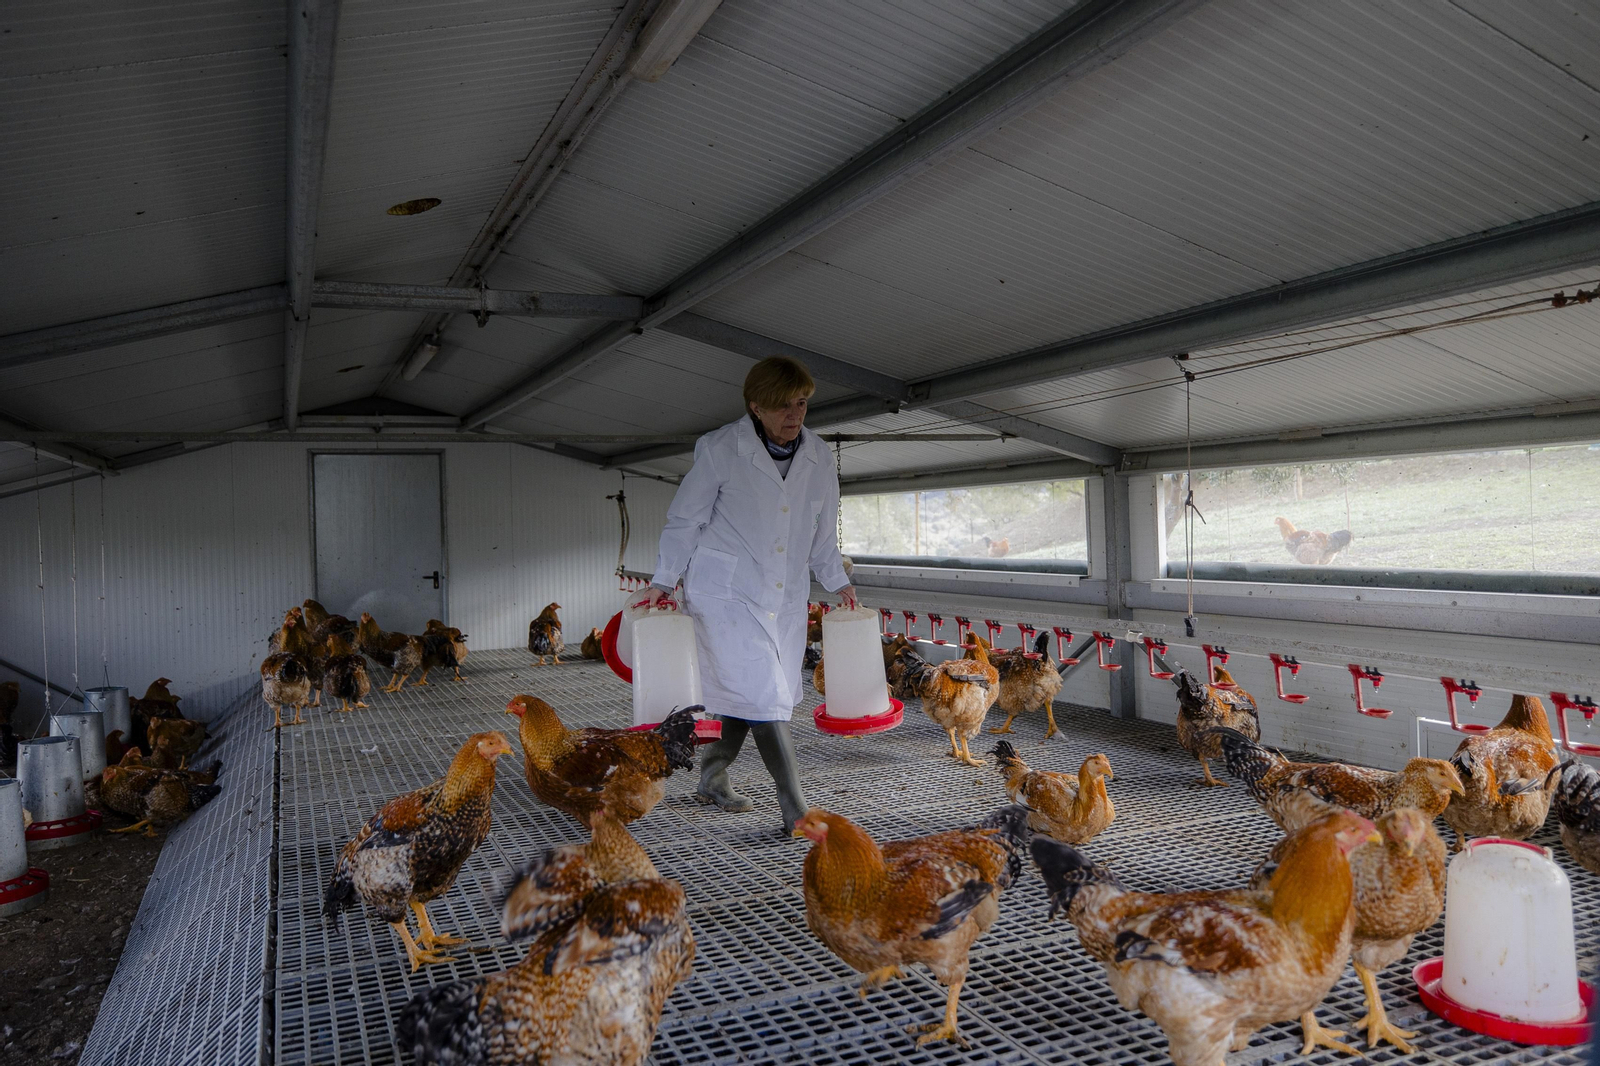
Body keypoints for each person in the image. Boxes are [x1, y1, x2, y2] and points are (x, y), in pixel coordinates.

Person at [645, 356, 857, 835]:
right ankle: (796, 810)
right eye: (783, 406)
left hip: (783, 596)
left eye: (801, 403)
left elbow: (824, 535)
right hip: (726, 594)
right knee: (764, 695)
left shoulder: (820, 456)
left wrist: (837, 580)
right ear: (755, 407)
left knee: (752, 693)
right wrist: (664, 579)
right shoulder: (721, 448)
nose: (794, 414)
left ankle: (713, 778)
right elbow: (686, 521)